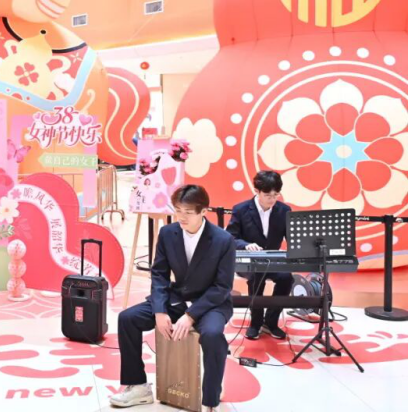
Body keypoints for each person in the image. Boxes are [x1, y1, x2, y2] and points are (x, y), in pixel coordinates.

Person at [111, 185, 235, 412]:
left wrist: (190, 316)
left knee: (212, 335)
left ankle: (210, 400)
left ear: (203, 211)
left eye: (188, 212)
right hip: (177, 298)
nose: (181, 217)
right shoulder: (168, 233)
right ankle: (138, 386)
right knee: (128, 318)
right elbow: (159, 274)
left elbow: (222, 287)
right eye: (178, 210)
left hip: (211, 304)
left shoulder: (223, 240)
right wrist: (159, 310)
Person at [226, 170, 292, 340]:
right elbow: (231, 238)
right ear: (256, 191)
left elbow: (291, 238)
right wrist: (246, 245)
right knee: (257, 275)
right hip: (248, 261)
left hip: (273, 260)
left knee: (287, 278)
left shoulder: (284, 210)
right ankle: (255, 323)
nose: (272, 199)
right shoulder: (241, 209)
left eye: (276, 195)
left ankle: (270, 321)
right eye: (268, 195)